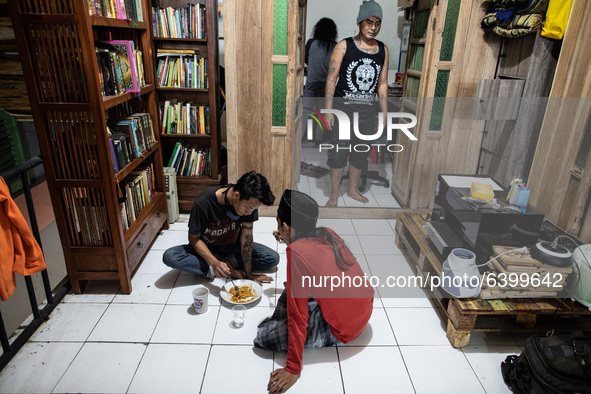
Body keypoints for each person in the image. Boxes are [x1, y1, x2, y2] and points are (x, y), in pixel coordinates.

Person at [255, 190, 374, 393]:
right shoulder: (327, 232)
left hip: (344, 330)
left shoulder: (297, 252)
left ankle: (282, 329)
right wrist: (289, 239)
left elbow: (298, 316)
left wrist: (293, 368)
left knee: (263, 337)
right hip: (363, 310)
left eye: (279, 225)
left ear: (285, 226)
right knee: (290, 291)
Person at [324, 0, 389, 207]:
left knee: (361, 154)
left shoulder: (383, 50)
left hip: (368, 115)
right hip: (343, 112)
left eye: (378, 23)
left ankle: (352, 190)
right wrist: (328, 110)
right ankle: (334, 194)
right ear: (360, 22)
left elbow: (383, 84)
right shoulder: (344, 46)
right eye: (369, 22)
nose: (373, 28)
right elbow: (331, 79)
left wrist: (385, 113)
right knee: (338, 153)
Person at [162, 171, 279, 284]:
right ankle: (220, 266)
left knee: (272, 258)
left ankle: (222, 265)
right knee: (170, 256)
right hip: (208, 249)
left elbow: (246, 240)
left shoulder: (250, 202)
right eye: (248, 208)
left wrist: (249, 274)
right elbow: (194, 239)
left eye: (253, 209)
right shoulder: (203, 202)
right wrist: (214, 262)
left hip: (233, 248)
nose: (249, 213)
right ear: (236, 195)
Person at [303, 18, 338, 144]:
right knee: (322, 113)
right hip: (326, 87)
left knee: (304, 113)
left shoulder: (311, 43)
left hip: (311, 84)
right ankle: (318, 139)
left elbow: (306, 60)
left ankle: (298, 139)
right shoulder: (335, 46)